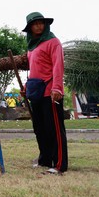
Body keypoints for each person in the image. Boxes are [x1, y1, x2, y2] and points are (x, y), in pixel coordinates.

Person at [22, 12, 68, 174]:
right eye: (35, 24)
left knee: (53, 129)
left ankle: (59, 164)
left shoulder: (53, 42)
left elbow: (58, 66)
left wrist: (57, 88)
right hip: (36, 93)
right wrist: (27, 87)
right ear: (30, 28)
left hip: (50, 92)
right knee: (40, 128)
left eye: (41, 23)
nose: (39, 26)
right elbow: (35, 70)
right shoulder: (32, 46)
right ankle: (45, 160)